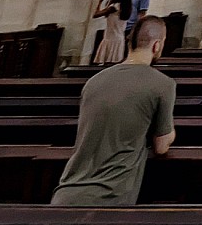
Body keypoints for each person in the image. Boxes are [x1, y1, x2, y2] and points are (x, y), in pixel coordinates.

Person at [50, 17, 176, 205]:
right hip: (111, 197)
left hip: (65, 193)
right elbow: (161, 146)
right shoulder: (163, 84)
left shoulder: (94, 81)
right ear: (157, 45)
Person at [88, 0, 130, 66]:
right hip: (117, 38)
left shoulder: (114, 7)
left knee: (107, 65)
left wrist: (100, 0)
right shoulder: (125, 6)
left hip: (111, 39)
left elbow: (95, 14)